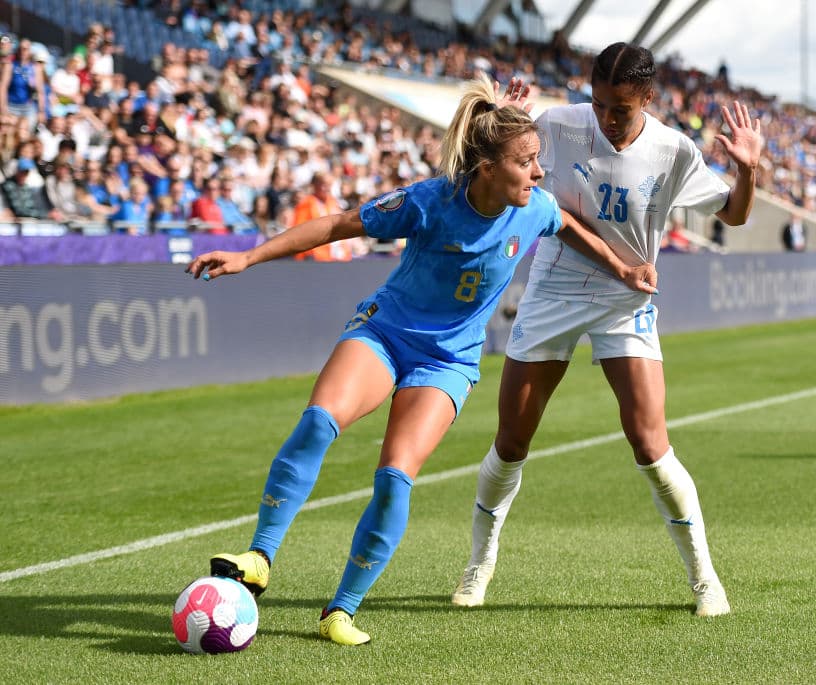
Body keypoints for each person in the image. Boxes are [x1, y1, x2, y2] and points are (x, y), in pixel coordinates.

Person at [185, 74, 657, 647]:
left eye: (538, 160)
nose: (538, 172)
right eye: (527, 161)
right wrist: (249, 257)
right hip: (386, 334)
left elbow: (572, 228)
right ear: (486, 167)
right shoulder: (428, 202)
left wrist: (623, 268)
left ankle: (341, 610)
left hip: (449, 362)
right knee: (318, 420)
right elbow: (338, 224)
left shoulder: (534, 207)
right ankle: (259, 557)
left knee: (394, 478)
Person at [451, 42, 763, 618]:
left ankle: (705, 579)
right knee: (512, 440)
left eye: (620, 106)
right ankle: (480, 560)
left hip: (627, 297)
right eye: (598, 103)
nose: (606, 117)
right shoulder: (559, 125)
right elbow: (503, 177)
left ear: (648, 97)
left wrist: (747, 169)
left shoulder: (674, 149)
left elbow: (737, 214)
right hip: (555, 288)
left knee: (650, 443)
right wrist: (494, 121)